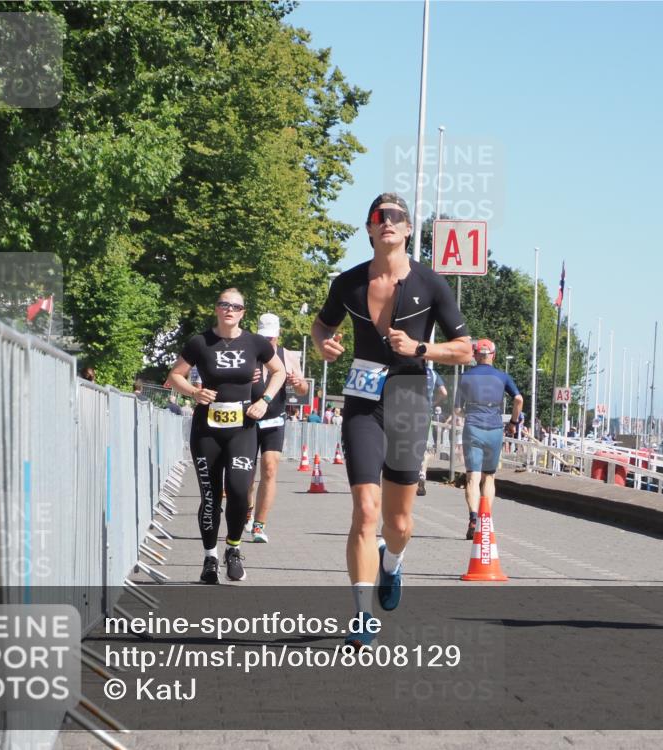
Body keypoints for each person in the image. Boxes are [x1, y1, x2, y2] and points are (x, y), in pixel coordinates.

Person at [312, 192, 471, 649]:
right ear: (368, 228)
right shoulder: (348, 283)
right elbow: (321, 326)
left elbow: (464, 348)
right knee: (365, 512)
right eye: (378, 217)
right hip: (362, 400)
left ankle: (393, 563)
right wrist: (323, 342)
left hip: (407, 397)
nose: (387, 222)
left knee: (397, 522)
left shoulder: (431, 283)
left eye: (396, 217)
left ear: (407, 230)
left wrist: (421, 349)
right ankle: (362, 617)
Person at [167, 288, 286, 584]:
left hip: (242, 428)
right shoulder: (200, 342)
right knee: (210, 498)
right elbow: (175, 376)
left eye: (235, 306)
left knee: (237, 490)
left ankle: (233, 549)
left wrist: (265, 400)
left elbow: (279, 371)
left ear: (243, 312)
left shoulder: (255, 343)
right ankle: (209, 558)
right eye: (224, 305)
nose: (229, 310)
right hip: (206, 429)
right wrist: (194, 391)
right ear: (217, 309)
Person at [246, 313, 309, 544]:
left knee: (270, 469)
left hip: (274, 419)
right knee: (246, 475)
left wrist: (297, 383)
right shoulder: (247, 352)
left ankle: (259, 526)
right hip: (249, 419)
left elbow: (303, 390)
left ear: (278, 335)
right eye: (263, 338)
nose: (267, 343)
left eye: (271, 338)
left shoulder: (288, 356)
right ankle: (247, 511)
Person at [455, 339, 523, 539]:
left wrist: (463, 420)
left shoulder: (465, 377)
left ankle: (473, 518)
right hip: (494, 429)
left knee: (472, 477)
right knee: (490, 476)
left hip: (473, 427)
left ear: (476, 355)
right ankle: (485, 520)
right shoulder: (502, 376)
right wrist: (513, 422)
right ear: (493, 355)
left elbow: (458, 409)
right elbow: (518, 399)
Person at [417, 367, 448, 496]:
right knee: (426, 448)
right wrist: (433, 402)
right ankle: (422, 473)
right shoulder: (433, 373)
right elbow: (444, 392)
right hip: (425, 412)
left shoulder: (408, 369)